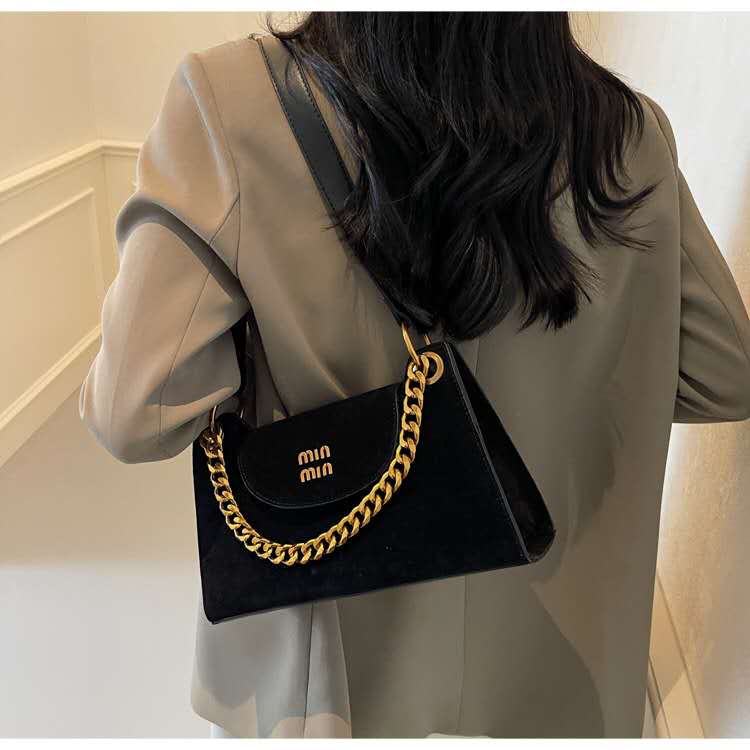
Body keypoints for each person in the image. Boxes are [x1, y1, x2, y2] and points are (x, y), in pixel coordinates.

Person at [79, 12, 750, 738]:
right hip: (559, 677)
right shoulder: (626, 134)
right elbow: (723, 373)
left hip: (333, 688)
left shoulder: (228, 101)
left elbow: (133, 412)